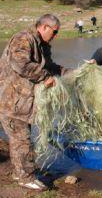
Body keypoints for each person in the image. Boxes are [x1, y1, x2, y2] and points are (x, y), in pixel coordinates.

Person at [0, 14, 70, 191]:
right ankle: (26, 178)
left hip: (24, 103)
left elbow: (49, 67)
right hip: (12, 100)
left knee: (19, 139)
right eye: (54, 32)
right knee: (22, 140)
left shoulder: (43, 45)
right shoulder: (24, 38)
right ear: (44, 27)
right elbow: (20, 64)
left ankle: (19, 172)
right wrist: (44, 77)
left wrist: (69, 72)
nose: (55, 36)